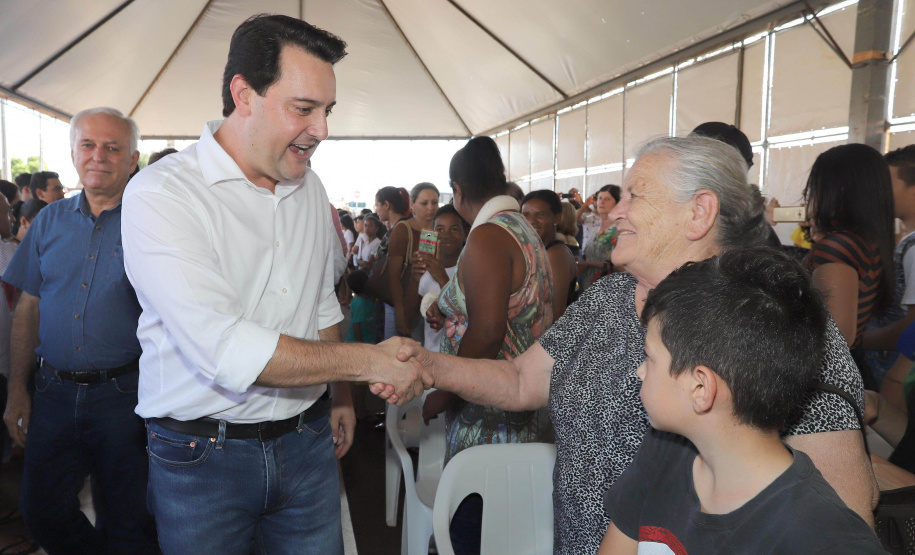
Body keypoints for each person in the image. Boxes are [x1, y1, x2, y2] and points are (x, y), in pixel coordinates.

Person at [381, 136, 876, 554]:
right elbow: (519, 380)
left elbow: (840, 517)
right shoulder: (611, 299)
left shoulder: (771, 325)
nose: (615, 211)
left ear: (699, 213)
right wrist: (428, 365)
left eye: (636, 196)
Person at [121, 15, 422, 554]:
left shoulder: (309, 188)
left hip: (306, 441)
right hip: (201, 457)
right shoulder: (163, 194)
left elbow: (323, 301)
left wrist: (339, 397)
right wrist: (367, 361)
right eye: (304, 109)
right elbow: (225, 348)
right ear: (244, 94)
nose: (323, 129)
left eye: (327, 111)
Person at [599, 247, 883, 554]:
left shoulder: (823, 539)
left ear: (700, 387)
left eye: (649, 358)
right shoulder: (664, 450)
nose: (640, 371)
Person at [1, 107, 157, 554]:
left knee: (128, 520)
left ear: (133, 159)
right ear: (73, 153)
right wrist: (17, 390)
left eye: (113, 147)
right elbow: (27, 309)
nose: (99, 156)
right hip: (52, 394)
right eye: (88, 145)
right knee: (41, 511)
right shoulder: (48, 222)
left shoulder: (154, 223)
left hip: (126, 397)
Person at [421, 136, 553, 554]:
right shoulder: (523, 230)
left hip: (488, 411)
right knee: (507, 528)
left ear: (458, 191)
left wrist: (441, 390)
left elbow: (488, 331)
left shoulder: (487, 238)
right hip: (520, 407)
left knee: (471, 526)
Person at [803, 144, 895, 390]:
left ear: (839, 189)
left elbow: (836, 336)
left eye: (815, 184)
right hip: (852, 369)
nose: (808, 192)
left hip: (827, 380)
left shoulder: (838, 248)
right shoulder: (868, 240)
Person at [863, 145, 915, 377]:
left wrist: (853, 341)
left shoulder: (913, 246)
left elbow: (911, 330)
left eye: (887, 184)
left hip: (895, 371)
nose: (878, 193)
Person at [404, 204, 467, 352]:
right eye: (439, 229)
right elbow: (409, 317)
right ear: (432, 233)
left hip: (460, 356)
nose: (446, 234)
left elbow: (467, 317)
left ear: (466, 233)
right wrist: (414, 280)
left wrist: (441, 277)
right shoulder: (426, 270)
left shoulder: (471, 269)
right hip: (432, 353)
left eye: (454, 229)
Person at [383, 183, 439, 338]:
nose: (430, 207)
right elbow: (393, 275)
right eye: (424, 203)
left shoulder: (439, 229)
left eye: (434, 202)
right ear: (412, 205)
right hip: (404, 303)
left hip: (432, 304)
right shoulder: (403, 229)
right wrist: (400, 313)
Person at [522, 190, 577, 318]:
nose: (531, 221)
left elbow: (556, 313)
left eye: (539, 215)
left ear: (557, 218)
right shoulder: (539, 250)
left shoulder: (556, 254)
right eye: (526, 215)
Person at [577, 184, 620, 293]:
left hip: (608, 289)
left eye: (607, 199)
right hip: (590, 288)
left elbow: (620, 266)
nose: (602, 202)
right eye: (600, 198)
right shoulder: (597, 227)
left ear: (617, 203)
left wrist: (588, 264)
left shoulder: (618, 230)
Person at [345, 270, 376, 345]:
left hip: (369, 339)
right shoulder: (359, 303)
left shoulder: (371, 297)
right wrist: (361, 345)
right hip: (356, 342)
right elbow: (356, 326)